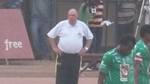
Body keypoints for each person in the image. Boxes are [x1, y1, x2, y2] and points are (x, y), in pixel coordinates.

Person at [47, 8, 93, 84]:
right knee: (61, 79)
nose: (71, 17)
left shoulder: (82, 25)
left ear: (77, 16)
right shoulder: (62, 24)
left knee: (73, 79)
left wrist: (85, 48)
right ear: (67, 16)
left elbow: (90, 37)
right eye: (70, 15)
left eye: (73, 15)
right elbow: (50, 36)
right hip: (63, 56)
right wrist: (54, 47)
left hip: (76, 57)